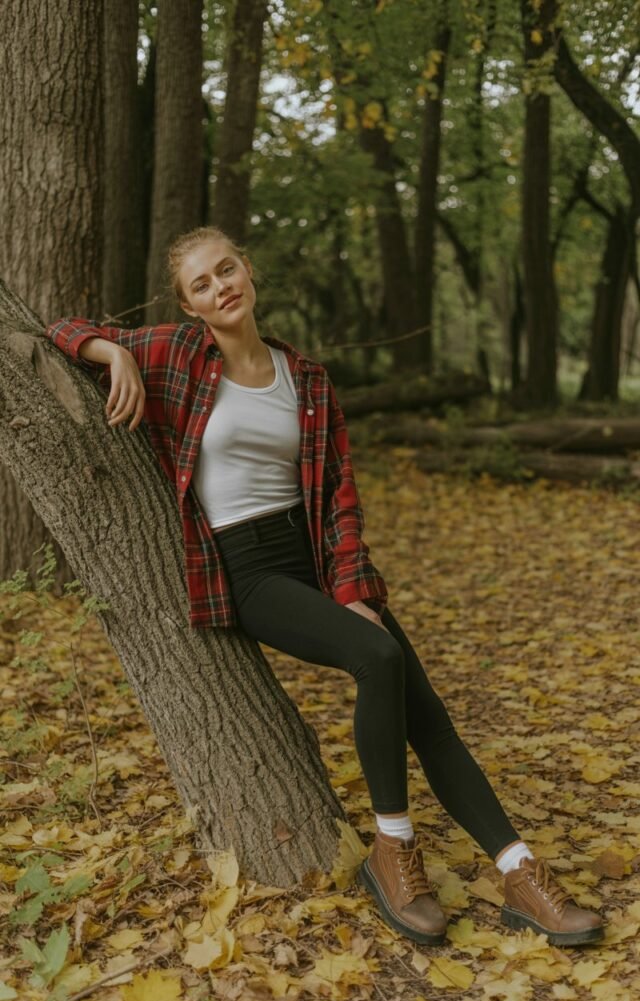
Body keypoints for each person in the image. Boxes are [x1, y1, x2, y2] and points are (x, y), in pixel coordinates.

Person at [45, 226, 604, 949]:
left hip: (313, 557)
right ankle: (393, 850)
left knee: (426, 713)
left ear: (248, 269)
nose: (222, 287)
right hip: (250, 571)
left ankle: (521, 872)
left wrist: (350, 586)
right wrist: (111, 349)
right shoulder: (177, 354)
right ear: (192, 308)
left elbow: (338, 491)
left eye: (227, 270)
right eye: (203, 285)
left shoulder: (303, 376)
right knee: (379, 660)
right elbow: (60, 326)